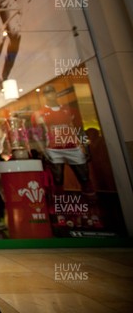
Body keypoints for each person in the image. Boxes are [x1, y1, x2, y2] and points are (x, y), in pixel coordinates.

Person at [30, 85, 102, 229]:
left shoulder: (69, 110)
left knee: (84, 179)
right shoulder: (39, 113)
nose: (50, 95)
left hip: (73, 147)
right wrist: (43, 151)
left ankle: (94, 214)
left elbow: (79, 129)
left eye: (52, 91)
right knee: (57, 181)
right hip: (54, 149)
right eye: (47, 93)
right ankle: (61, 213)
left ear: (56, 93)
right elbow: (37, 134)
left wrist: (85, 146)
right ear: (44, 96)